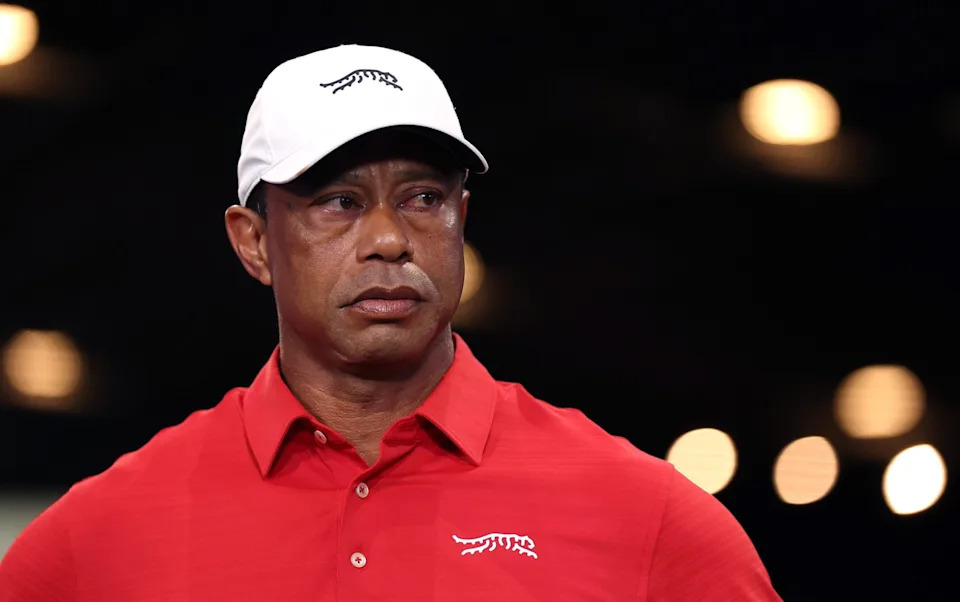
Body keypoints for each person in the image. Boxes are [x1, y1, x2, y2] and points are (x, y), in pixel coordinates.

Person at [0, 44, 781, 601]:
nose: (389, 239)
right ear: (253, 242)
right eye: (338, 201)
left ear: (461, 218)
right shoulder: (103, 536)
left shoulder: (647, 520)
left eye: (423, 197)